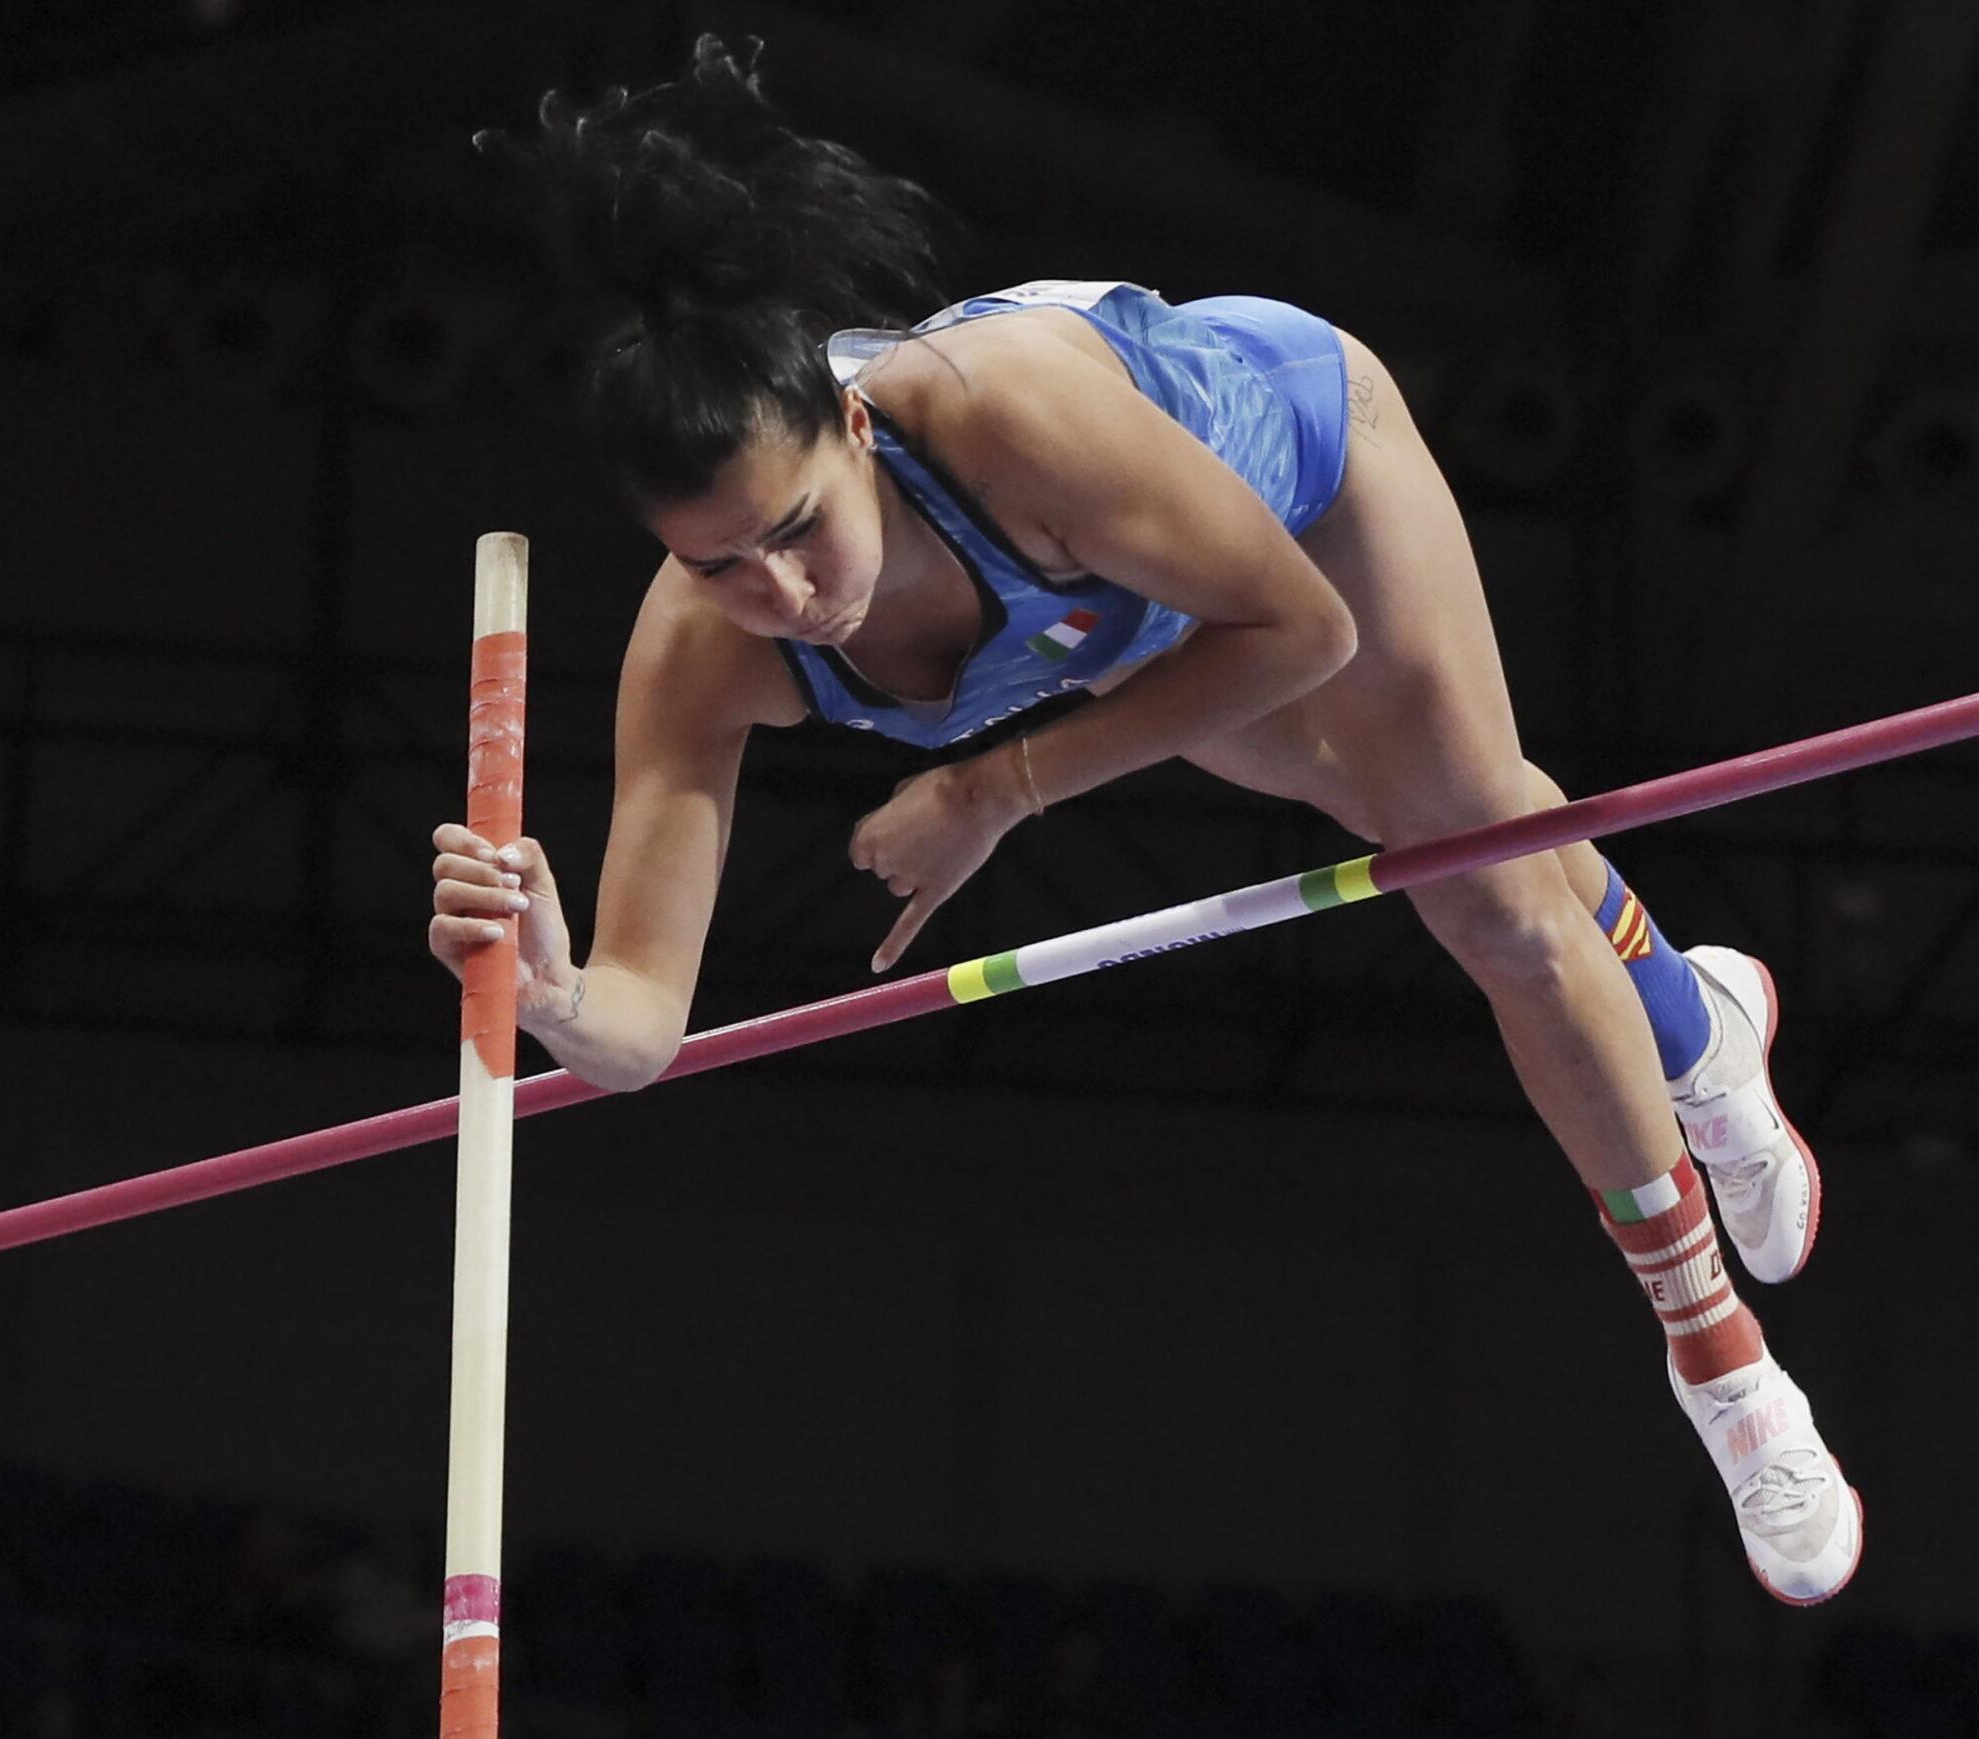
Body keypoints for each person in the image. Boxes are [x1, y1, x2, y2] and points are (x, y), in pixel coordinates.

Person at [433, 36, 1859, 1603]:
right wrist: (556, 993)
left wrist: (998, 786)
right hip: (1134, 623)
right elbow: (643, 1031)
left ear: (851, 434)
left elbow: (1301, 631)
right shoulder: (703, 659)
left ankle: (1722, 1363)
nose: (784, 595)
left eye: (794, 533)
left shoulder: (1011, 423)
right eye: (718, 564)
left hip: (1307, 485)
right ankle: (1695, 1016)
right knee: (1456, 816)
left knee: (1487, 891)